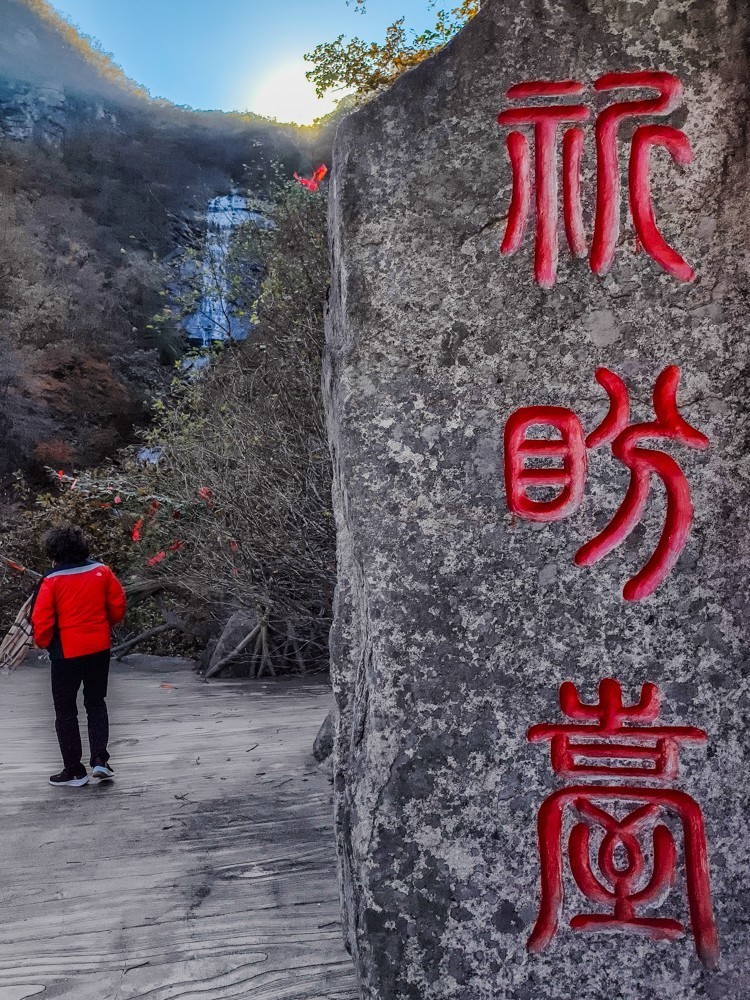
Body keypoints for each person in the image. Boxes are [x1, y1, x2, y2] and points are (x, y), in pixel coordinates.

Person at [30, 525, 127, 788]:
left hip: (66, 653)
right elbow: (118, 605)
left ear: (53, 550)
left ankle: (74, 771)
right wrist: (104, 627)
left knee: (65, 711)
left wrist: (43, 643)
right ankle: (100, 760)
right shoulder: (102, 571)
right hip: (98, 648)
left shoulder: (51, 580)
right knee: (96, 703)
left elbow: (41, 620)